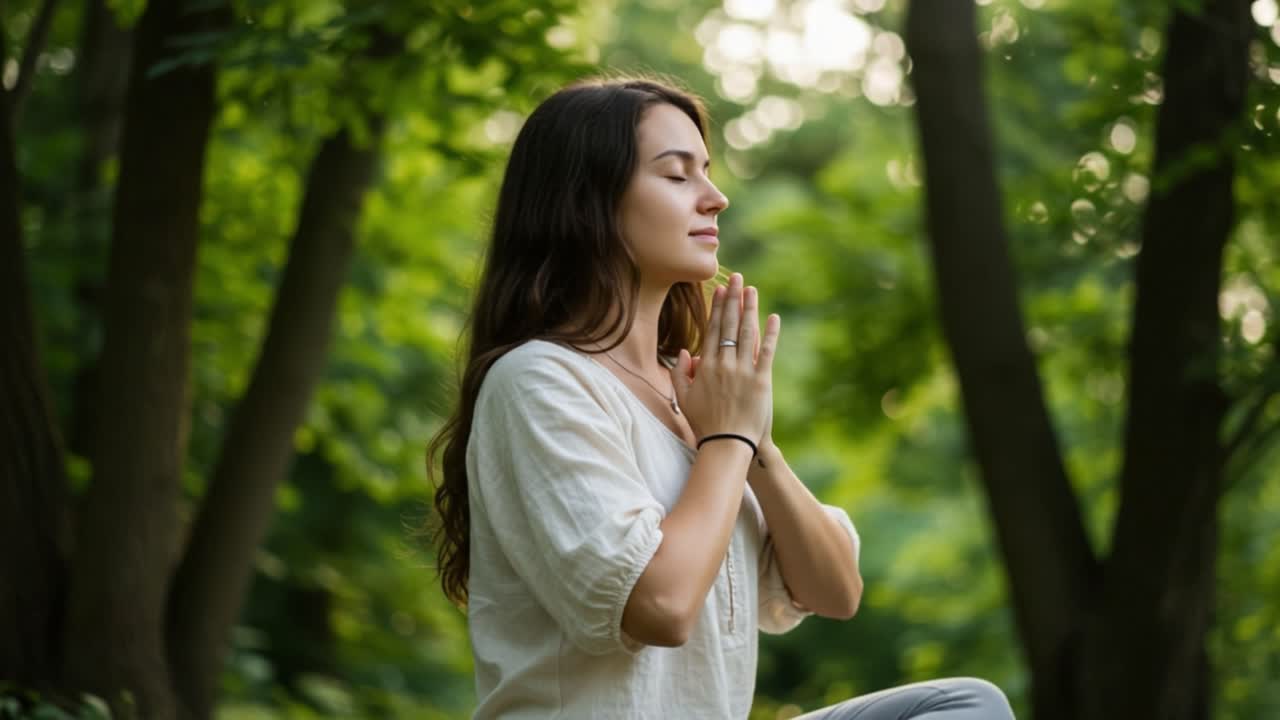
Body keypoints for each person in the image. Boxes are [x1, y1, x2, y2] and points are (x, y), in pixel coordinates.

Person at [428, 75, 1015, 719]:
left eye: (706, 172)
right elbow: (661, 606)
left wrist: (753, 442)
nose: (716, 198)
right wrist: (727, 441)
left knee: (963, 707)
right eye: (677, 176)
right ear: (586, 201)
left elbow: (835, 590)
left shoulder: (694, 404)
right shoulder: (539, 381)